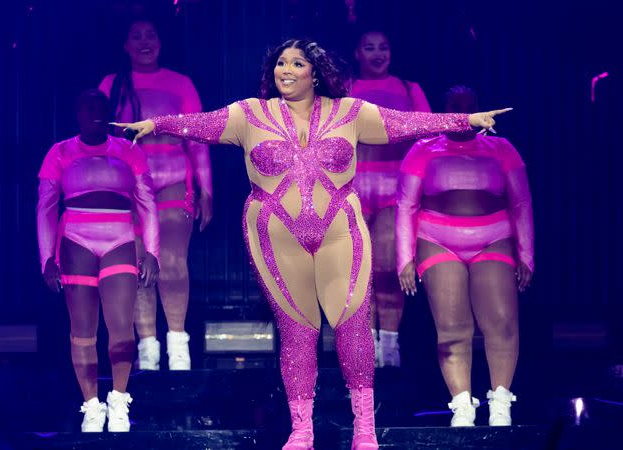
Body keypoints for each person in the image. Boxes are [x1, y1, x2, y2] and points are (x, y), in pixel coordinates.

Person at [115, 41, 506, 449]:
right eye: (280, 63)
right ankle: (302, 431)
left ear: (314, 72)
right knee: (298, 332)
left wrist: (465, 120)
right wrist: (155, 125)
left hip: (340, 230)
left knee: (353, 326)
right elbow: (199, 123)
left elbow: (409, 122)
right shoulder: (249, 114)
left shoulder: (351, 113)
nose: (286, 69)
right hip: (274, 234)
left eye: (296, 63)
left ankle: (365, 431)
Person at [396, 86, 533, 427]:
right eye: (455, 107)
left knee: (501, 323)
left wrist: (527, 254)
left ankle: (501, 401)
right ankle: (462, 405)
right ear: (446, 111)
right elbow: (406, 206)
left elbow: (521, 202)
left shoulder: (501, 149)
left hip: (494, 238)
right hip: (437, 239)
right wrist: (404, 259)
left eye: (469, 106)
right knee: (453, 326)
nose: (463, 112)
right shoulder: (422, 150)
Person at [37, 89, 159, 432]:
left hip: (120, 239)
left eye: (100, 107)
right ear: (76, 112)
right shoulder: (59, 153)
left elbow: (147, 202)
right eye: (86, 105)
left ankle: (118, 401)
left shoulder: (128, 151)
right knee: (82, 331)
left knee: (121, 327)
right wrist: (46, 258)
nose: (93, 111)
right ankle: (92, 405)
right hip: (75, 242)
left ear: (109, 112)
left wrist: (151, 251)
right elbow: (45, 208)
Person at [99, 18, 213, 370]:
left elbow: (197, 138)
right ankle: (147, 349)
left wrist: (206, 189)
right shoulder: (111, 85)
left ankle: (178, 347)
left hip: (175, 180)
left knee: (174, 262)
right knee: (137, 266)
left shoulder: (180, 83)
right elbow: (100, 139)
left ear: (161, 42)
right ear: (125, 45)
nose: (145, 41)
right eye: (137, 36)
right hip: (128, 186)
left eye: (151, 35)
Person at [350, 30, 431, 367]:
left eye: (384, 47)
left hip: (393, 187)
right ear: (357, 53)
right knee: (360, 271)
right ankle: (367, 345)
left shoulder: (408, 90)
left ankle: (391, 347)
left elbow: (430, 137)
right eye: (369, 47)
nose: (378, 53)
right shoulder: (345, 90)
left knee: (387, 268)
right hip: (353, 187)